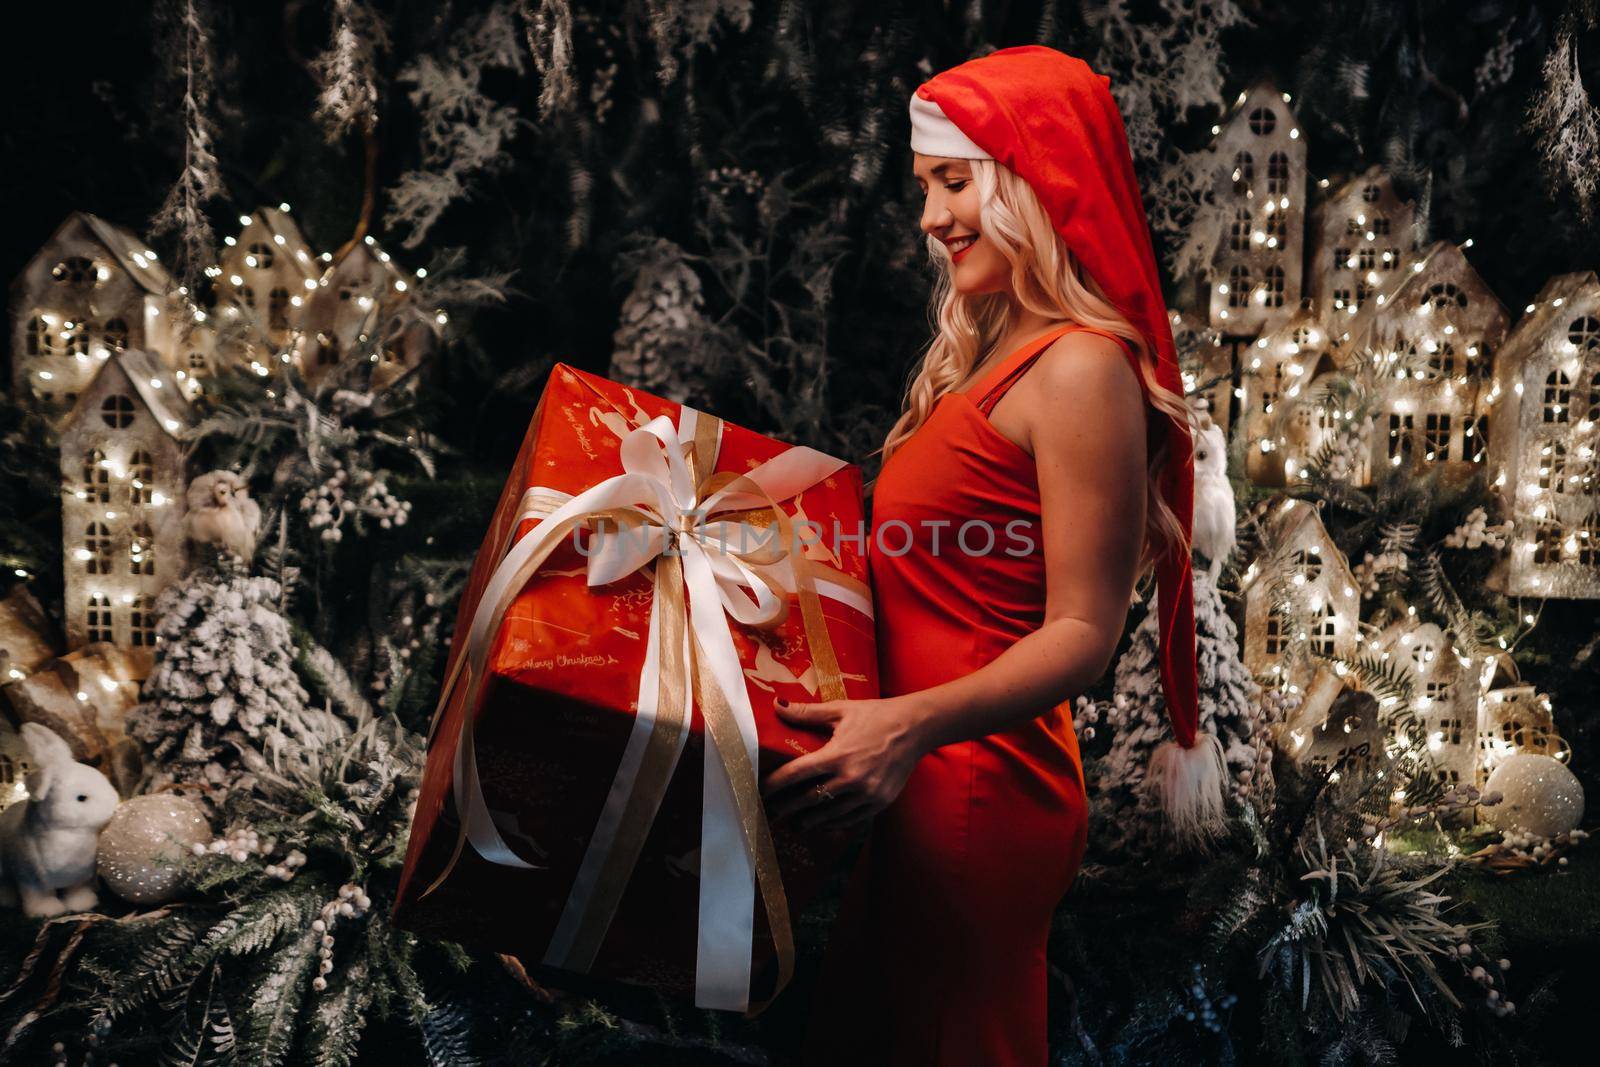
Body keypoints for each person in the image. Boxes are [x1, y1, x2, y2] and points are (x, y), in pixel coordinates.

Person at [758, 46, 1228, 1064]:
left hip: (973, 789)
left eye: (954, 181)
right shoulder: (994, 358)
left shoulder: (1080, 368)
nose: (930, 218)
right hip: (910, 775)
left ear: (1031, 177)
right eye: (926, 186)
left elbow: (1081, 631)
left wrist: (904, 727)